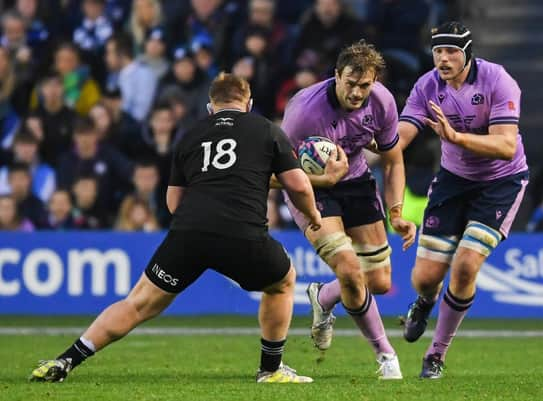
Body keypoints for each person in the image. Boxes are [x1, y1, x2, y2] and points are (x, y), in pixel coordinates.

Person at [30, 73, 321, 384]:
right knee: (282, 282)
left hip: (188, 233)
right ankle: (271, 369)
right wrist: (313, 214)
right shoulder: (267, 130)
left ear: (211, 107)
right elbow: (298, 185)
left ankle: (66, 360)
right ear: (248, 104)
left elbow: (172, 203)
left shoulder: (190, 135)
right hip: (242, 233)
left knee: (137, 304)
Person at [397, 22, 529, 379]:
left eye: (451, 51)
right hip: (454, 181)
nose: (443, 58)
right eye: (438, 51)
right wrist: (373, 144)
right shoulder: (427, 85)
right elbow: (403, 132)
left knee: (467, 265)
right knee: (424, 278)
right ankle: (424, 304)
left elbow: (505, 146)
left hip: (501, 182)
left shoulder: (498, 81)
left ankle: (436, 354)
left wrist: (455, 137)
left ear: (467, 53)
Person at [278, 40, 416, 379]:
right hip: (310, 189)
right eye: (350, 83)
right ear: (336, 76)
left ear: (374, 82)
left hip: (356, 182)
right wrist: (323, 180)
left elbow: (393, 158)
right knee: (351, 271)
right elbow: (275, 173)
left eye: (364, 85)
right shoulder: (302, 113)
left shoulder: (382, 102)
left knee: (380, 282)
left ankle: (323, 296)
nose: (357, 93)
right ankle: (386, 355)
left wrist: (396, 212)